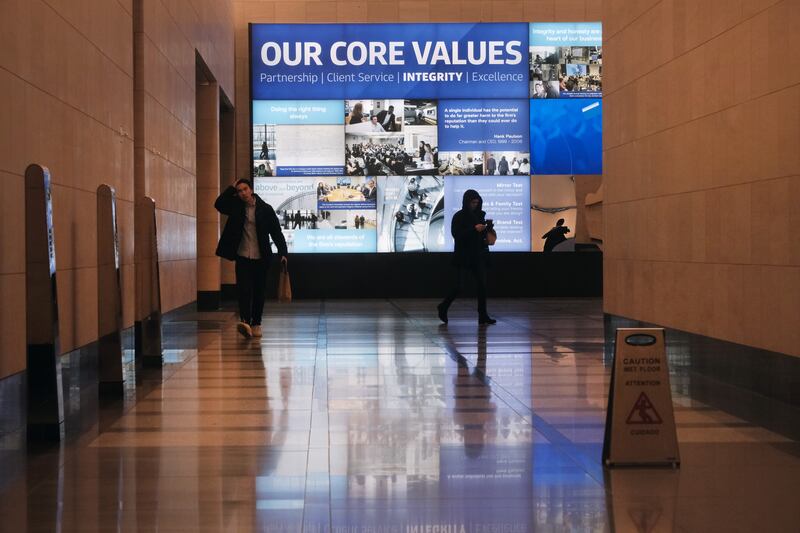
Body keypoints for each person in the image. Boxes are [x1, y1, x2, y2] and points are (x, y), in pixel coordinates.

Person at [215, 178, 288, 339]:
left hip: (261, 257)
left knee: (259, 291)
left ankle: (256, 323)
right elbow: (218, 204)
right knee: (244, 290)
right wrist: (230, 188)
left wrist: (283, 252)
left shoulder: (265, 209)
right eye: (239, 191)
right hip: (243, 255)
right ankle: (245, 322)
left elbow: (276, 232)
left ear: (251, 190)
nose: (242, 193)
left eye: (245, 189)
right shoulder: (235, 207)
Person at [437, 189, 496, 325]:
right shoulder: (459, 216)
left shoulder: (480, 215)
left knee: (482, 286)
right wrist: (474, 229)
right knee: (459, 286)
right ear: (466, 202)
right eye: (472, 202)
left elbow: (481, 236)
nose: (475, 205)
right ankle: (443, 306)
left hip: (478, 255)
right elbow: (457, 235)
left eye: (477, 202)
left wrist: (487, 228)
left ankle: (483, 315)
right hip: (464, 256)